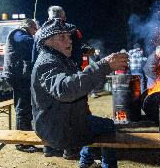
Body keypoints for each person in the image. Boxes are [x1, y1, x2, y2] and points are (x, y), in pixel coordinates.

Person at [31, 19, 128, 168]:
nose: (69, 40)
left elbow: (75, 88)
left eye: (69, 36)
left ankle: (86, 162)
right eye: (62, 37)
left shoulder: (60, 58)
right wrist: (103, 66)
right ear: (47, 42)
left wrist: (83, 110)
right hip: (57, 129)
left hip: (62, 122)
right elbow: (65, 89)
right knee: (108, 126)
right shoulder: (47, 62)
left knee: (100, 124)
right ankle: (103, 164)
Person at [3, 18, 38, 153]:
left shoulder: (23, 33)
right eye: (34, 30)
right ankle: (21, 142)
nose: (35, 33)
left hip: (20, 75)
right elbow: (26, 41)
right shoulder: (17, 33)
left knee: (25, 105)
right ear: (29, 27)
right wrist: (39, 38)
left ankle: (25, 136)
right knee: (23, 107)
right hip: (17, 76)